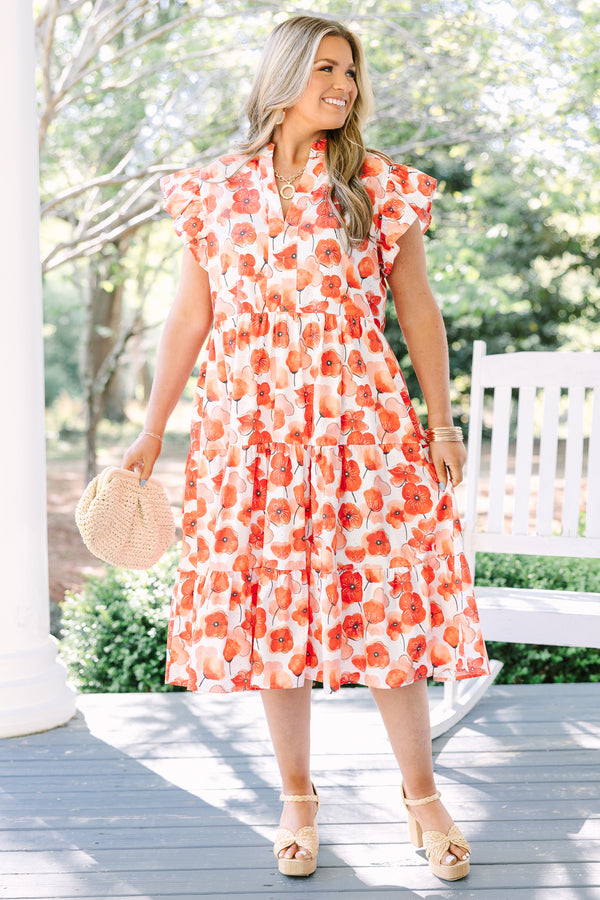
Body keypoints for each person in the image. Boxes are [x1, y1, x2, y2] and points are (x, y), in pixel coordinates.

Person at [122, 13, 490, 882]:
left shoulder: (377, 185)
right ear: (282, 75)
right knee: (270, 611)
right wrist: (150, 429)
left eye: (351, 71)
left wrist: (441, 422)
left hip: (363, 426)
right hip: (249, 434)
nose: (343, 85)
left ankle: (423, 799)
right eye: (326, 67)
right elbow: (189, 317)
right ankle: (297, 800)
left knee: (388, 604)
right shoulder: (213, 192)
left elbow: (418, 309)